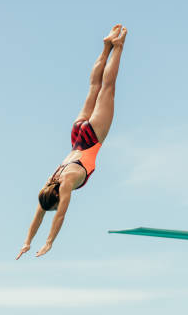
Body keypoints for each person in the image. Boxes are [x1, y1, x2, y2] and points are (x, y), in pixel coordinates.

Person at [16, 24, 127, 259]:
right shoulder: (51, 181)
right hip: (76, 135)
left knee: (107, 88)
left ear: (56, 197)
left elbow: (59, 215)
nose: (56, 207)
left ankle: (117, 47)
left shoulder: (65, 183)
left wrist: (49, 242)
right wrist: (27, 241)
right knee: (94, 87)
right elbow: (40, 212)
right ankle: (106, 45)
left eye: (55, 204)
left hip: (91, 138)